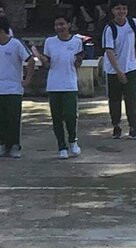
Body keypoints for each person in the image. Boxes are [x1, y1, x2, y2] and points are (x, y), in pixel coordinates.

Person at [35, 15, 84, 159]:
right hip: (54, 85)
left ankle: (73, 141)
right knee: (56, 118)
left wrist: (79, 59)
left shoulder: (76, 42)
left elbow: (78, 63)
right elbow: (47, 64)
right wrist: (42, 59)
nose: (59, 27)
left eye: (62, 24)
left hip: (70, 84)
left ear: (69, 25)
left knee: (70, 115)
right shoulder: (49, 42)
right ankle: (61, 147)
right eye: (56, 25)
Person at [101, 0, 136, 140]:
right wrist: (118, 71)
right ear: (112, 11)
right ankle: (116, 126)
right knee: (114, 99)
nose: (121, 11)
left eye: (124, 8)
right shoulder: (109, 28)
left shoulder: (133, 23)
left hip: (131, 67)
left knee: (132, 98)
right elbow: (109, 51)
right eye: (118, 8)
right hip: (113, 70)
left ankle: (133, 128)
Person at [0, 16, 34, 159]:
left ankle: (14, 145)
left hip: (13, 89)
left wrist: (27, 79)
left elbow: (30, 60)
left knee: (13, 118)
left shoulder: (16, 44)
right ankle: (2, 144)